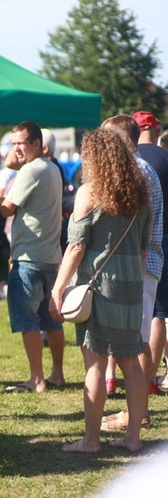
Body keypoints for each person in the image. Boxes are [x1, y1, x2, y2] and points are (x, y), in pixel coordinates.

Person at [49, 127, 151, 453]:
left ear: (95, 158)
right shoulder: (140, 195)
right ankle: (133, 438)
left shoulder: (89, 192)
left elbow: (76, 248)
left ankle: (91, 440)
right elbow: (142, 249)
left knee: (94, 363)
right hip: (132, 283)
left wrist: (58, 289)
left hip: (100, 284)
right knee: (130, 362)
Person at [0, 121, 65, 393]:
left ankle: (37, 379)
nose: (16, 148)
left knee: (29, 321)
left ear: (36, 144)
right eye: (13, 143)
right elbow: (11, 165)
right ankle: (57, 374)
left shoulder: (31, 170)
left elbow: (7, 210)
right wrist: (17, 156)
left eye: (21, 143)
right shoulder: (52, 167)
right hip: (52, 256)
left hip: (28, 257)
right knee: (52, 319)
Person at [99, 115, 163, 432]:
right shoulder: (140, 169)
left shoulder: (136, 171)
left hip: (140, 264)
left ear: (123, 140)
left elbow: (143, 228)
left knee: (136, 342)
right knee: (134, 340)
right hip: (142, 263)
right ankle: (133, 412)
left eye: (107, 138)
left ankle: (138, 415)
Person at [133, 110, 168, 396]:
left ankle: (136, 383)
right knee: (160, 313)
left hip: (136, 244)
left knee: (141, 314)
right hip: (162, 239)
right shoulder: (163, 158)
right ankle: (150, 379)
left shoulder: (130, 161)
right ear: (154, 128)